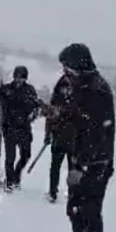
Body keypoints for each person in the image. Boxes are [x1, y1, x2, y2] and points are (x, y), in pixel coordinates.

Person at [50, 43, 115, 232]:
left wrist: (81, 166)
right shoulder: (82, 87)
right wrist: (59, 116)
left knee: (90, 212)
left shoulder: (96, 90)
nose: (65, 73)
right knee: (74, 210)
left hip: (95, 165)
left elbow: (96, 135)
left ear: (79, 65)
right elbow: (76, 121)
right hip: (80, 160)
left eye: (68, 68)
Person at [0, 65, 41, 191]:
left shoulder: (30, 90)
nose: (19, 80)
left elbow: (36, 105)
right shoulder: (5, 89)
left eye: (22, 78)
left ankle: (16, 176)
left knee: (26, 155)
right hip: (9, 127)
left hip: (24, 128)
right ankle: (10, 182)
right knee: (10, 157)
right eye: (17, 77)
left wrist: (34, 115)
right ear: (14, 77)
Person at [44, 75, 74, 203]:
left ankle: (59, 192)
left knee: (68, 167)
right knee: (58, 166)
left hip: (70, 138)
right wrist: (47, 135)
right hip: (62, 138)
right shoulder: (59, 100)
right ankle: (54, 192)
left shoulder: (60, 99)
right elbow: (50, 118)